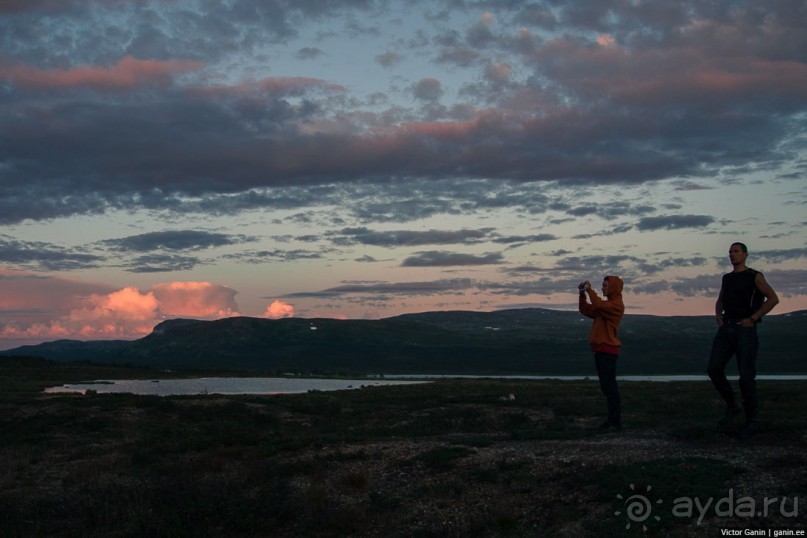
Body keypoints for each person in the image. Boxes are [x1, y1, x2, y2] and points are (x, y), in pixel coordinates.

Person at [707, 242, 779, 438]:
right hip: (727, 328)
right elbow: (720, 299)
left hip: (745, 330)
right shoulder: (727, 278)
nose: (732, 254)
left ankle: (751, 422)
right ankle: (732, 406)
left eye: (736, 251)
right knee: (713, 368)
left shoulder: (755, 276)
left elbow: (773, 298)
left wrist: (754, 318)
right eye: (730, 252)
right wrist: (717, 315)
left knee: (746, 377)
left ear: (745, 254)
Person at [578, 275, 625, 432]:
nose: (603, 288)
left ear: (613, 287)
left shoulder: (615, 306)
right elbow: (586, 309)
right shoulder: (605, 307)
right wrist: (582, 294)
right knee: (607, 387)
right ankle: (612, 421)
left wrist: (590, 290)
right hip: (600, 350)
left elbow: (596, 304)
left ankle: (615, 422)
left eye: (605, 285)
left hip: (607, 350)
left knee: (610, 387)